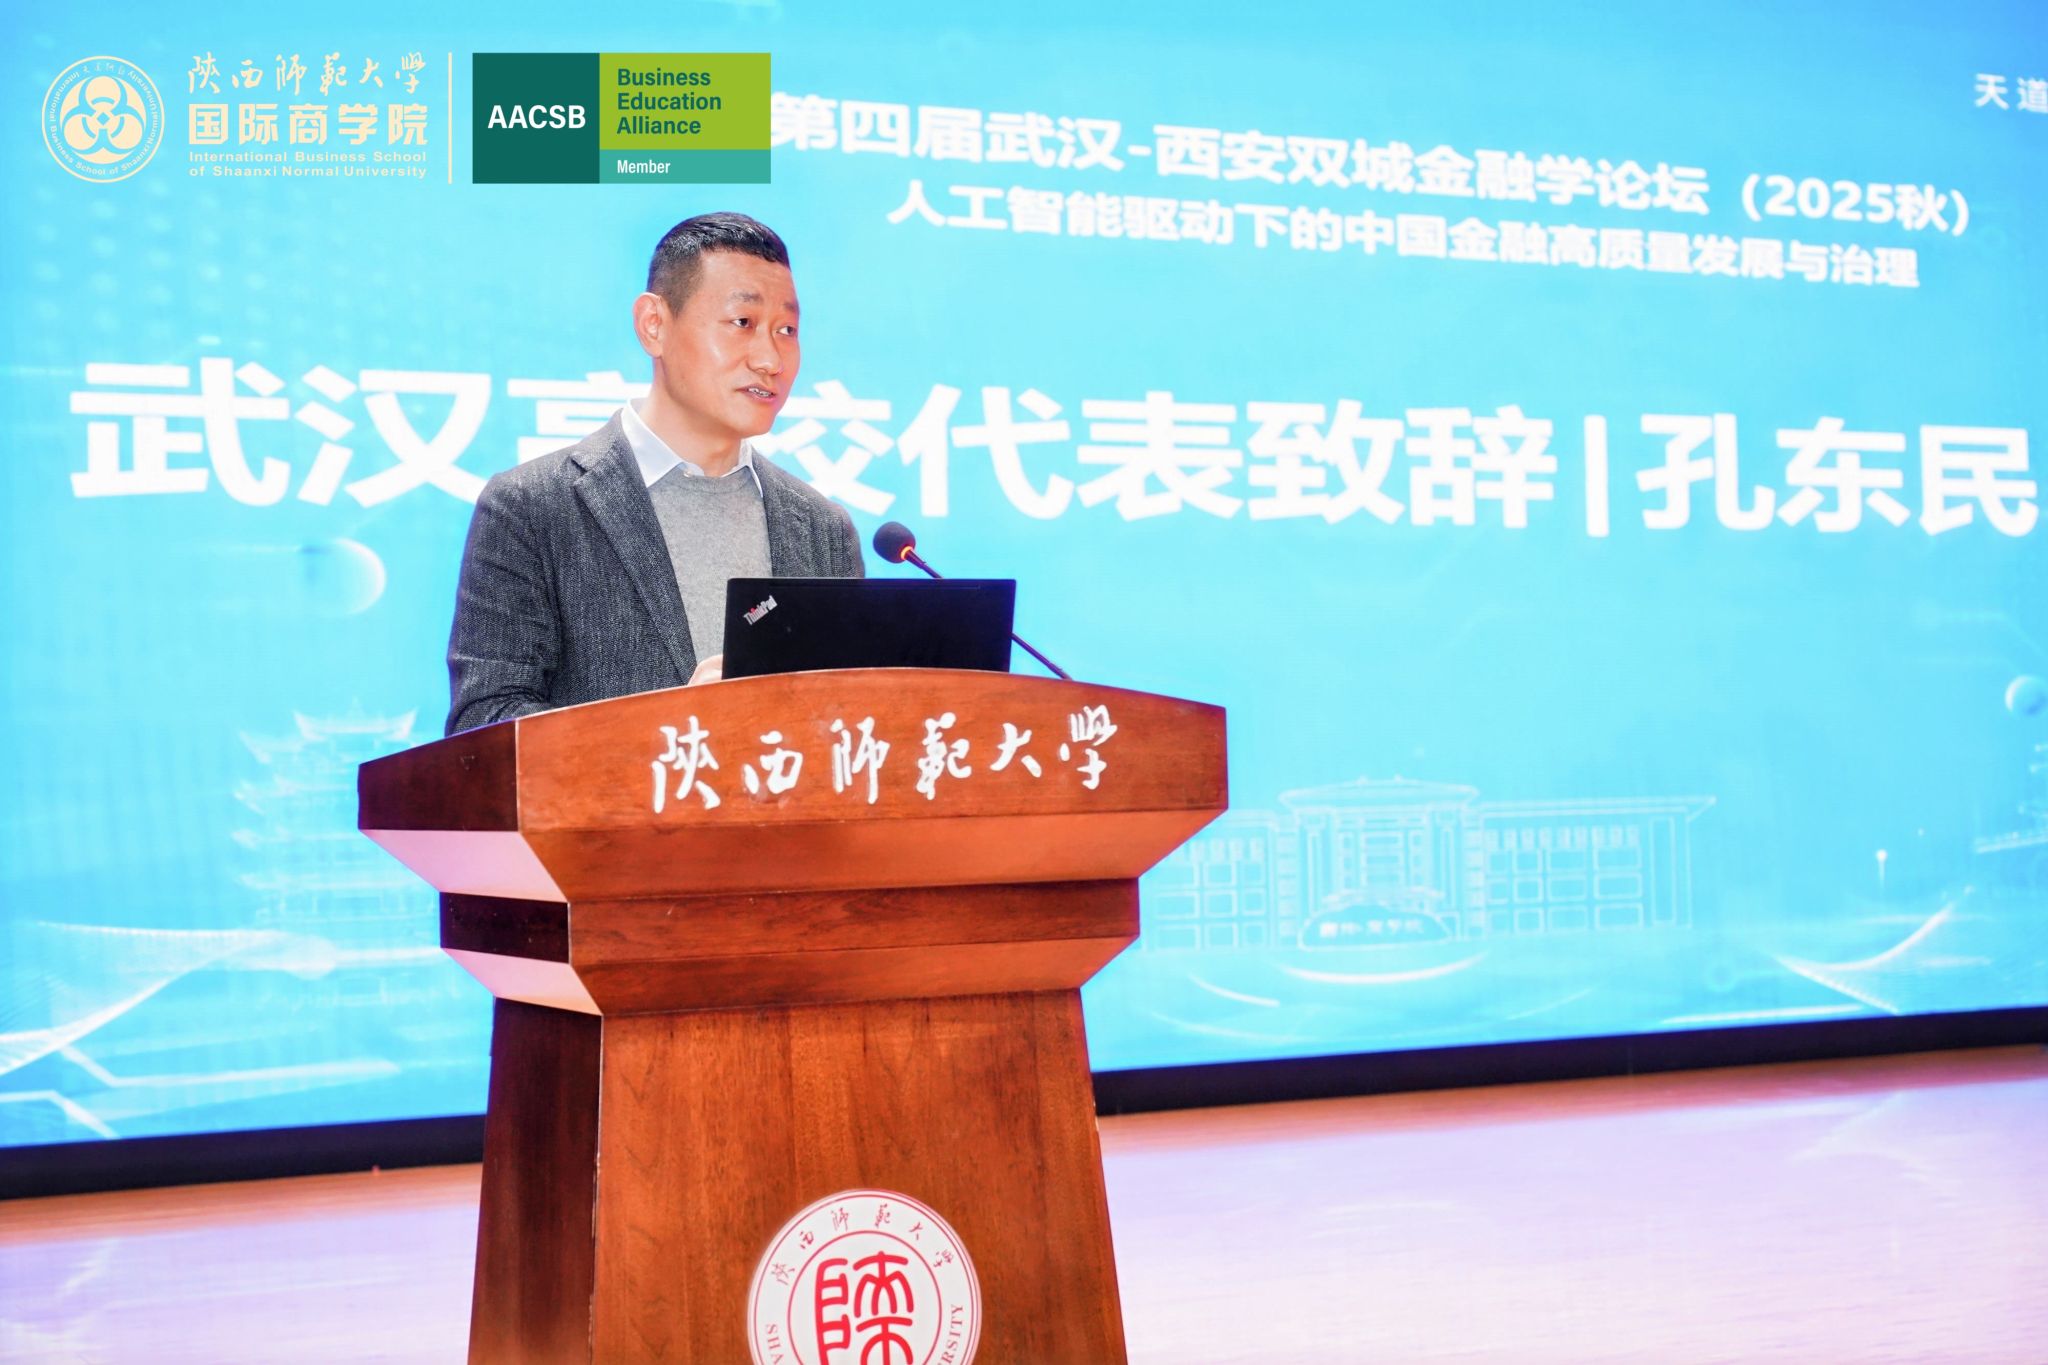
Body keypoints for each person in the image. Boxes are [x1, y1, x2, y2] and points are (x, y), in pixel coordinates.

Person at [444, 212, 863, 735]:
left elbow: (850, 722)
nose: (770, 359)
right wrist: (669, 728)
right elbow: (484, 724)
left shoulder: (823, 530)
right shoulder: (532, 507)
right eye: (743, 323)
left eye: (787, 330)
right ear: (654, 325)